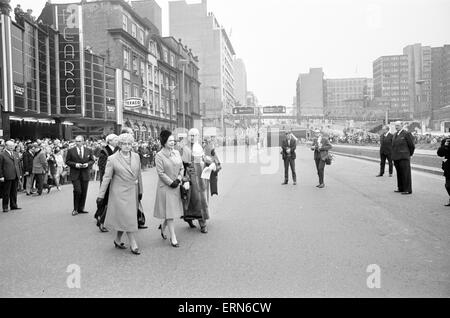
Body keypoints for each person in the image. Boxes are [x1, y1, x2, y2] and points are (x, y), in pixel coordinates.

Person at [96, 133, 143, 255]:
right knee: (128, 217)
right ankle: (133, 243)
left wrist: (141, 190)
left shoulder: (136, 157)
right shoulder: (112, 159)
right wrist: (101, 195)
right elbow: (106, 178)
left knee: (125, 217)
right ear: (120, 145)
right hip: (119, 193)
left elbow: (139, 175)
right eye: (124, 144)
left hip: (132, 191)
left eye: (129, 144)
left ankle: (117, 239)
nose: (127, 146)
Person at [154, 130, 184, 248]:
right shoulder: (159, 155)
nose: (172, 142)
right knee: (170, 213)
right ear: (164, 142)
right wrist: (171, 182)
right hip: (166, 187)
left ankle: (163, 227)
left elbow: (181, 167)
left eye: (173, 140)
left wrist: (179, 179)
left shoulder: (176, 152)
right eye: (170, 140)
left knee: (170, 211)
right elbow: (160, 173)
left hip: (176, 185)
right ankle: (173, 237)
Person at [181, 128, 210, 233]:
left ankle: (202, 222)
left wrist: (210, 164)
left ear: (198, 136)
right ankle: (196, 221)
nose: (192, 137)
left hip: (201, 176)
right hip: (191, 176)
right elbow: (184, 165)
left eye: (195, 135)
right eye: (191, 135)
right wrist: (186, 179)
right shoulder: (186, 148)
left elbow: (206, 159)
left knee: (201, 199)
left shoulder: (202, 146)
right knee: (190, 198)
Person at [94, 134, 119, 232]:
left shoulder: (118, 150)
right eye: (115, 139)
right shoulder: (103, 152)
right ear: (109, 141)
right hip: (107, 179)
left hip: (116, 179)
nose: (117, 141)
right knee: (105, 200)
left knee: (109, 200)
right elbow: (103, 168)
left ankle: (99, 216)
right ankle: (101, 221)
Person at [65, 135, 95, 216]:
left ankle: (81, 208)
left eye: (79, 141)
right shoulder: (71, 150)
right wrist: (75, 165)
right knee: (77, 190)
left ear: (83, 141)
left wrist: (87, 164)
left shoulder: (89, 150)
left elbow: (92, 160)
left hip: (85, 174)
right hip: (75, 174)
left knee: (84, 192)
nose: (77, 143)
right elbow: (67, 161)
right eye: (76, 141)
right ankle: (75, 209)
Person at [392, 121, 415, 195]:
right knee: (399, 173)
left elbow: (411, 146)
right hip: (396, 157)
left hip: (404, 157)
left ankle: (407, 189)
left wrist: (409, 154)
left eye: (398, 125)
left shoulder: (406, 134)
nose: (396, 127)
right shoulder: (395, 134)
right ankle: (401, 188)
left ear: (402, 125)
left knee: (406, 174)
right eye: (395, 125)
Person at [0, 140, 22, 212]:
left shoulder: (16, 154)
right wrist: (1, 176)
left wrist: (20, 174)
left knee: (14, 192)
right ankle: (5, 206)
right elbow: (0, 167)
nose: (12, 147)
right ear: (6, 146)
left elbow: (18, 165)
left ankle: (13, 205)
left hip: (15, 175)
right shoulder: (2, 154)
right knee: (6, 192)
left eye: (13, 146)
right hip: (7, 176)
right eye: (10, 146)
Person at [437, 137, 450, 206]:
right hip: (448, 167)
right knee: (448, 185)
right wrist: (445, 145)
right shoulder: (446, 140)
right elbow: (439, 153)